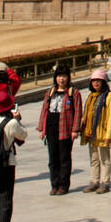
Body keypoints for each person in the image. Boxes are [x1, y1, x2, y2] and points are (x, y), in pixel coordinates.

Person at [36, 64, 82, 195]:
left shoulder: (74, 93)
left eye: (64, 76)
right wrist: (42, 129)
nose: (61, 79)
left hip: (65, 129)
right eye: (59, 76)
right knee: (53, 159)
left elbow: (78, 112)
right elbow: (44, 110)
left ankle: (63, 185)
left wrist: (75, 130)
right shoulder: (50, 92)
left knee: (64, 158)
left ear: (68, 77)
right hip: (51, 127)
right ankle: (54, 184)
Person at [80, 68, 111, 194]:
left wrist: (108, 135)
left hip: (103, 134)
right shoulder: (91, 96)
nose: (96, 83)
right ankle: (94, 181)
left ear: (103, 82)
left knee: (104, 159)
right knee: (94, 159)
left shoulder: (109, 97)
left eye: (99, 80)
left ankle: (105, 183)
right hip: (92, 134)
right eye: (94, 80)